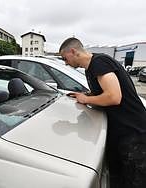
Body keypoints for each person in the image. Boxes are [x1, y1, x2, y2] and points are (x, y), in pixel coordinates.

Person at [59, 37, 146, 188]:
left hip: (134, 132)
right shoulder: (90, 69)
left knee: (135, 179)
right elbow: (102, 92)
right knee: (120, 177)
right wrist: (88, 95)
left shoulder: (99, 62)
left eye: (65, 58)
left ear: (73, 51)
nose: (65, 62)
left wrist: (86, 100)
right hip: (121, 132)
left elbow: (114, 97)